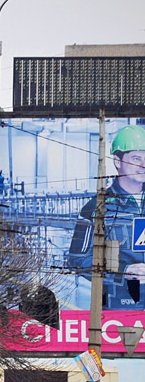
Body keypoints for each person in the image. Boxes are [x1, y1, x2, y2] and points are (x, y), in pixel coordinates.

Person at [67, 124, 145, 307]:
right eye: (136, 158)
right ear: (118, 162)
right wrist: (123, 271)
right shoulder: (96, 208)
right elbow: (76, 259)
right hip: (117, 308)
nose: (143, 165)